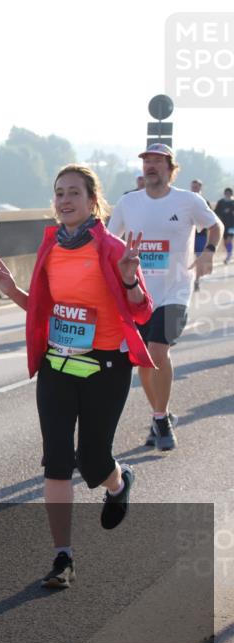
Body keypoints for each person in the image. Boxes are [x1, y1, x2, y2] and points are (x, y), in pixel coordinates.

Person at [0, 164, 154, 588]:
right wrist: (12, 292)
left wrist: (131, 279)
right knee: (58, 461)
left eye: (73, 193)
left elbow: (141, 311)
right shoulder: (51, 246)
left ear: (92, 200)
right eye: (59, 193)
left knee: (94, 461)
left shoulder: (114, 248)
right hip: (57, 365)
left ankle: (118, 480)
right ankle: (63, 557)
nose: (64, 200)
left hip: (106, 367)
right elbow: (44, 309)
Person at [108, 144, 222, 450]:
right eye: (147, 161)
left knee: (157, 351)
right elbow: (109, 240)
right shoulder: (128, 203)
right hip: (139, 294)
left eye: (158, 161)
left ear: (171, 168)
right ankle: (160, 415)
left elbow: (215, 226)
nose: (151, 166)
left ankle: (160, 417)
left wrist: (208, 252)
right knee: (145, 360)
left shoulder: (188, 200)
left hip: (176, 291)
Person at [190, 179, 211, 291]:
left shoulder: (205, 202)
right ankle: (187, 280)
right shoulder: (186, 201)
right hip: (188, 236)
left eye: (197, 187)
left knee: (199, 259)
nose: (194, 189)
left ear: (200, 188)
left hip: (200, 236)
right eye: (193, 187)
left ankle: (196, 280)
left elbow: (210, 222)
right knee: (186, 260)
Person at [214, 187, 234, 264]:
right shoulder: (221, 202)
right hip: (223, 224)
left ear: (231, 194)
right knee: (225, 242)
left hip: (232, 224)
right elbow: (216, 212)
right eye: (227, 193)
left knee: (229, 240)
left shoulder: (233, 202)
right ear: (225, 193)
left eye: (229, 193)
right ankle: (229, 252)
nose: (228, 194)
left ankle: (229, 255)